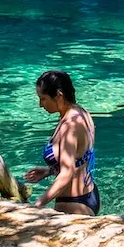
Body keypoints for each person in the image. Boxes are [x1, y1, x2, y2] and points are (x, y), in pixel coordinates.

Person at [24, 70, 99, 215]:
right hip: (89, 193)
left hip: (74, 203)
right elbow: (78, 158)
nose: (40, 104)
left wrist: (36, 205)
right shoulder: (81, 113)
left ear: (59, 96)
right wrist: (49, 171)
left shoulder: (69, 126)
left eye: (43, 99)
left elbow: (67, 173)